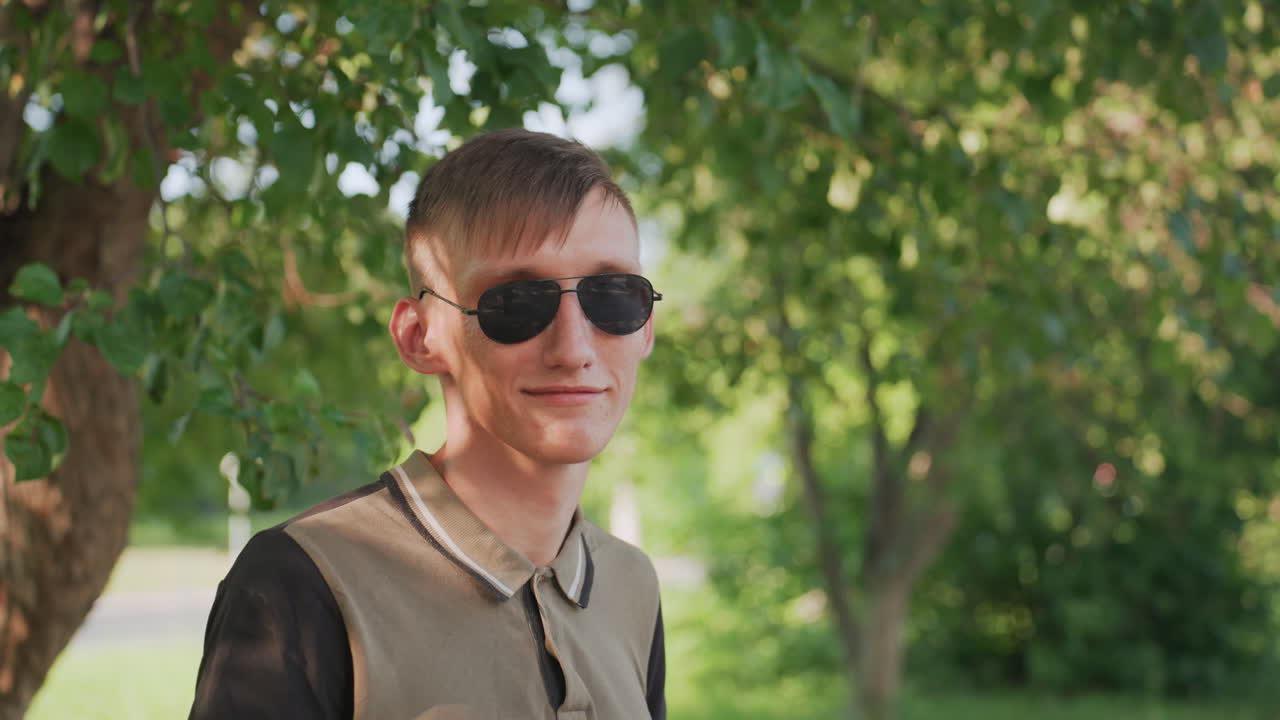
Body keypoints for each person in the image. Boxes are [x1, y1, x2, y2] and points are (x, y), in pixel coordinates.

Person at [189, 129, 666, 719]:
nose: (574, 348)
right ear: (419, 337)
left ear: (645, 328)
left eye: (614, 295)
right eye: (515, 302)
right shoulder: (304, 581)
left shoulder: (631, 587)